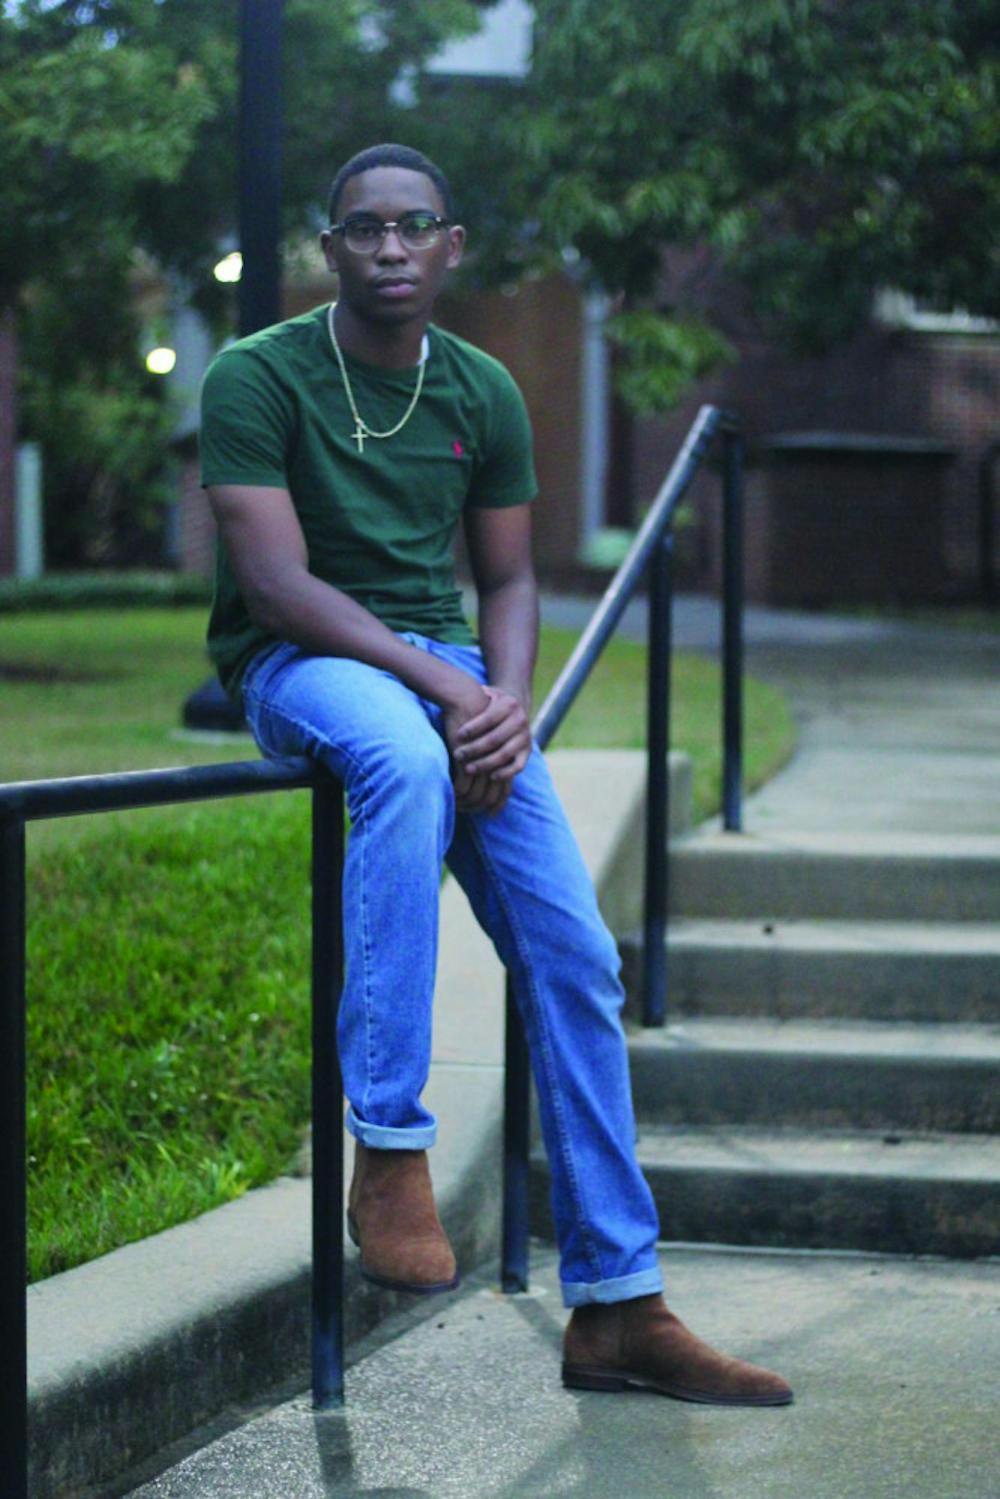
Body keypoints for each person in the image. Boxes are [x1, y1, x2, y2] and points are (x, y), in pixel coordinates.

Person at [200, 143, 792, 1407]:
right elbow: (275, 584)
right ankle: (391, 1146)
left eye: (416, 227)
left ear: (451, 244)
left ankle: (620, 1304)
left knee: (577, 957)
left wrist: (505, 700)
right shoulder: (260, 375)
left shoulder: (483, 389)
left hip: (455, 676)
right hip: (304, 660)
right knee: (404, 760)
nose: (393, 248)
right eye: (365, 228)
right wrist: (451, 693)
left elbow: (512, 579)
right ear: (331, 245)